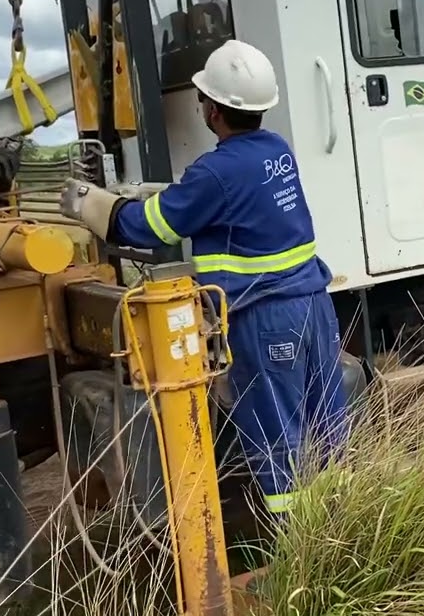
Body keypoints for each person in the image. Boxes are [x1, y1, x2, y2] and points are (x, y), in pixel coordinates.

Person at [60, 38, 350, 520]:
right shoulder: (276, 151)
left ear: (212, 109)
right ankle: (353, 531)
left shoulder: (215, 173)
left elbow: (149, 227)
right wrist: (172, 194)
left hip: (264, 317)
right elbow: (233, 205)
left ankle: (303, 552)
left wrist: (97, 205)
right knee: (327, 426)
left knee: (279, 441)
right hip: (312, 304)